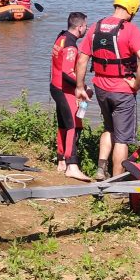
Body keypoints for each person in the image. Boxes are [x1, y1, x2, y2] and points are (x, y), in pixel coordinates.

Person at [75, 0, 140, 180]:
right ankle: (116, 183)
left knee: (109, 129)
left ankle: (101, 169)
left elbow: (82, 59)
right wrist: (137, 84)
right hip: (122, 90)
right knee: (122, 139)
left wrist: (79, 87)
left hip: (100, 88)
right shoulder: (130, 29)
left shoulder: (96, 26)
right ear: (132, 9)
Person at [50, 12, 91, 181]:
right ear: (80, 27)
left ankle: (61, 160)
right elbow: (68, 73)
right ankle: (72, 165)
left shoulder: (60, 37)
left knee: (63, 123)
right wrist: (83, 86)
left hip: (54, 86)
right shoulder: (71, 46)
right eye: (86, 26)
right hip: (63, 89)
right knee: (73, 125)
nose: (87, 28)